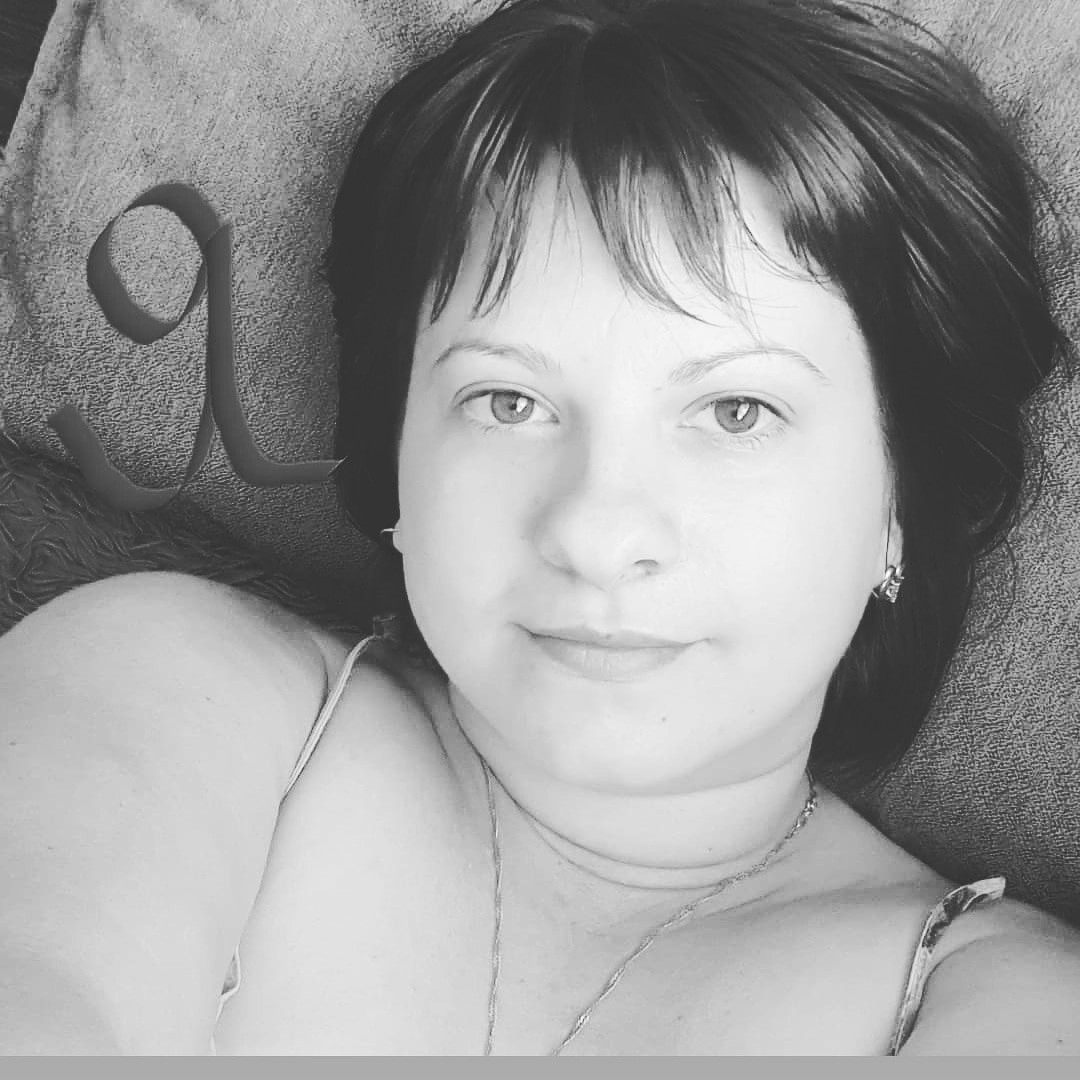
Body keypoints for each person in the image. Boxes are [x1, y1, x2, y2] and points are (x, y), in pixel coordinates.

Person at [3, 0, 1080, 1055]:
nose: (596, 532)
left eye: (735, 412)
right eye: (509, 401)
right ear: (397, 456)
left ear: (899, 506)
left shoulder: (1001, 1006)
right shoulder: (168, 681)